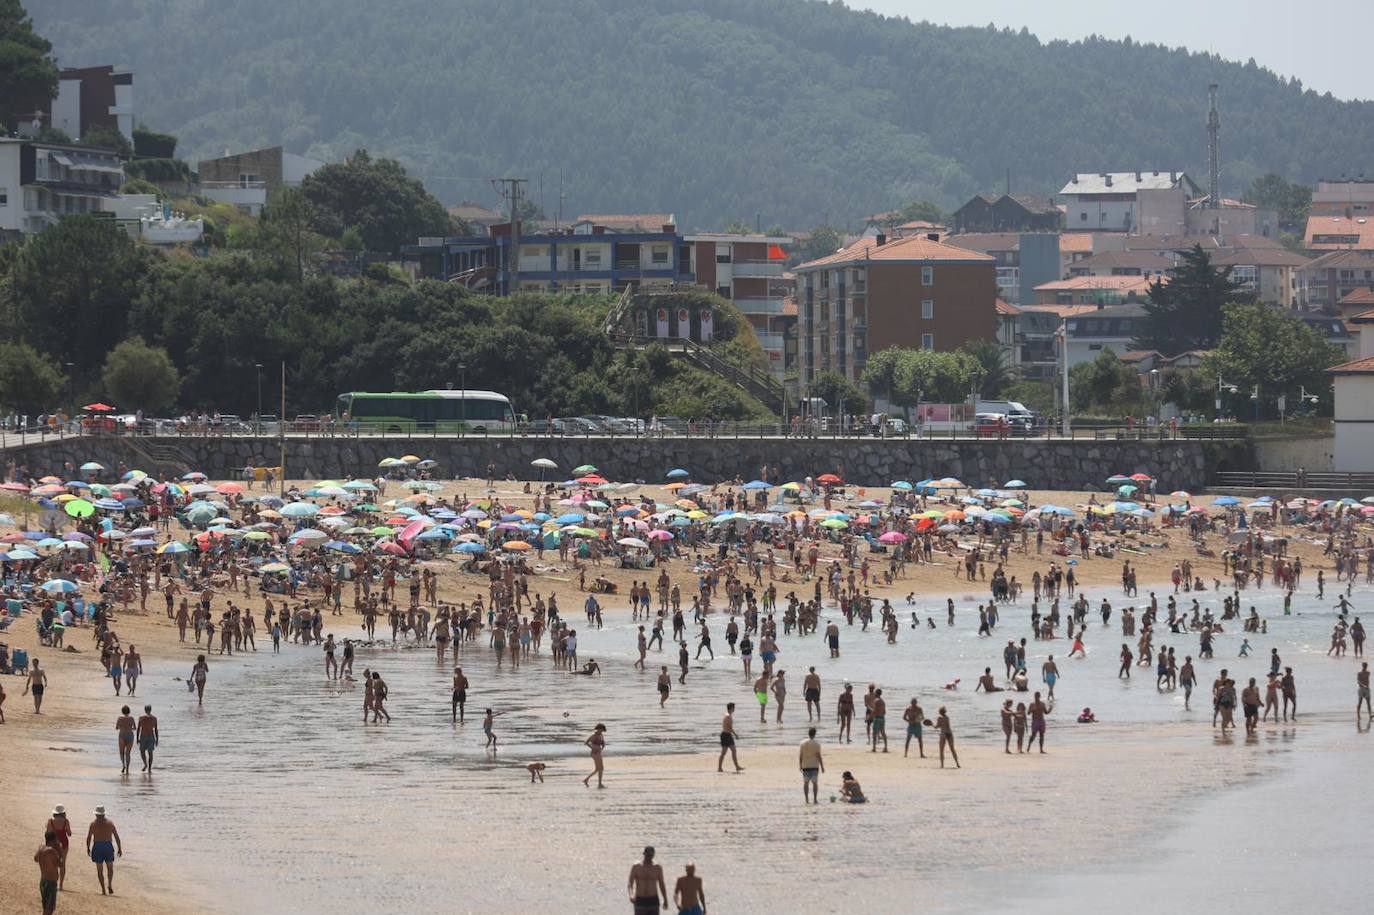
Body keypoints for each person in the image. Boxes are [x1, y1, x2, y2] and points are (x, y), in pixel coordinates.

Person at [85, 806, 122, 896]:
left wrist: (88, 847)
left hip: (97, 846)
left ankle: (103, 890)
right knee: (110, 867)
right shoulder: (110, 823)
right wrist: (119, 848)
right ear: (104, 814)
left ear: (96, 814)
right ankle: (109, 884)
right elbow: (116, 836)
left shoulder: (93, 824)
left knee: (99, 869)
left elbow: (89, 837)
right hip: (108, 846)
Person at [628, 846, 669, 914]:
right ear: (644, 854)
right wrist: (631, 894)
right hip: (640, 899)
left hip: (653, 900)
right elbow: (630, 882)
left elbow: (661, 884)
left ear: (653, 855)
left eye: (651, 856)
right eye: (648, 855)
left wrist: (665, 899)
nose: (649, 857)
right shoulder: (636, 866)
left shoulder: (657, 867)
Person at [44, 806, 72, 890]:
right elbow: (69, 834)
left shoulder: (50, 821)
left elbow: (48, 832)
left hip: (53, 842)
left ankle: (53, 882)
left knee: (52, 863)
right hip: (64, 843)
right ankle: (61, 885)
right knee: (62, 863)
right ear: (63, 813)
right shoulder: (66, 821)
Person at [36, 830, 61, 915]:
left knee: (45, 907)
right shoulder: (51, 851)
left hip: (43, 881)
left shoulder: (41, 848)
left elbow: (35, 859)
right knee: (49, 909)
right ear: (53, 839)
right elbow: (60, 864)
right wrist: (60, 851)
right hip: (50, 883)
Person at [799, 726, 824, 804]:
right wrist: (822, 766)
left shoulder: (802, 743)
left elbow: (801, 755)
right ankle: (815, 799)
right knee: (815, 783)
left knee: (806, 783)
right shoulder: (817, 744)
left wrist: (800, 765)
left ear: (808, 733)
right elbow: (818, 756)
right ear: (815, 734)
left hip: (805, 765)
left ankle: (806, 799)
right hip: (814, 766)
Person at [717, 702, 743, 773]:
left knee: (725, 752)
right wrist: (735, 734)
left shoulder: (726, 715)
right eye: (734, 708)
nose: (734, 709)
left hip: (725, 735)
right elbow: (729, 727)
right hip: (726, 735)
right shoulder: (728, 716)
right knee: (732, 751)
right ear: (731, 708)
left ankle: (720, 768)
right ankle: (736, 767)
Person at [583, 723, 607, 788]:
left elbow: (603, 743)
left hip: (599, 752)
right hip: (594, 753)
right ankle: (599, 784)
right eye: (600, 729)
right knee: (600, 768)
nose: (601, 731)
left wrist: (602, 748)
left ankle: (586, 779)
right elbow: (586, 742)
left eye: (602, 730)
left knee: (598, 769)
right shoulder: (594, 735)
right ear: (598, 728)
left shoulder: (601, 735)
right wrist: (592, 747)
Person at [137, 705, 159, 772]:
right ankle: (149, 768)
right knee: (150, 753)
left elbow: (138, 729)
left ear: (145, 710)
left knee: (142, 751)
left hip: (143, 735)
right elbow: (156, 730)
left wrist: (137, 738)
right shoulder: (154, 718)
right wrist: (157, 739)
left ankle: (145, 764)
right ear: (150, 710)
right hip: (151, 736)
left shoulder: (141, 718)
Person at [115, 706, 136, 774]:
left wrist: (122, 727)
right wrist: (129, 728)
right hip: (130, 735)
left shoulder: (120, 718)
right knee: (128, 753)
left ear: (122, 711)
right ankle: (127, 769)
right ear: (129, 711)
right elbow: (135, 728)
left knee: (122, 752)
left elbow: (116, 727)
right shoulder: (131, 718)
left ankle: (123, 765)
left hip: (122, 735)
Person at [869, 688, 888, 753]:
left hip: (877, 718)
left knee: (874, 733)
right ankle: (885, 747)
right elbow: (884, 711)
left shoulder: (876, 700)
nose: (874, 693)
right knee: (883, 733)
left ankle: (874, 748)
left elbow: (875, 710)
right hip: (882, 718)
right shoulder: (883, 701)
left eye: (875, 692)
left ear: (877, 693)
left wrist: (870, 716)